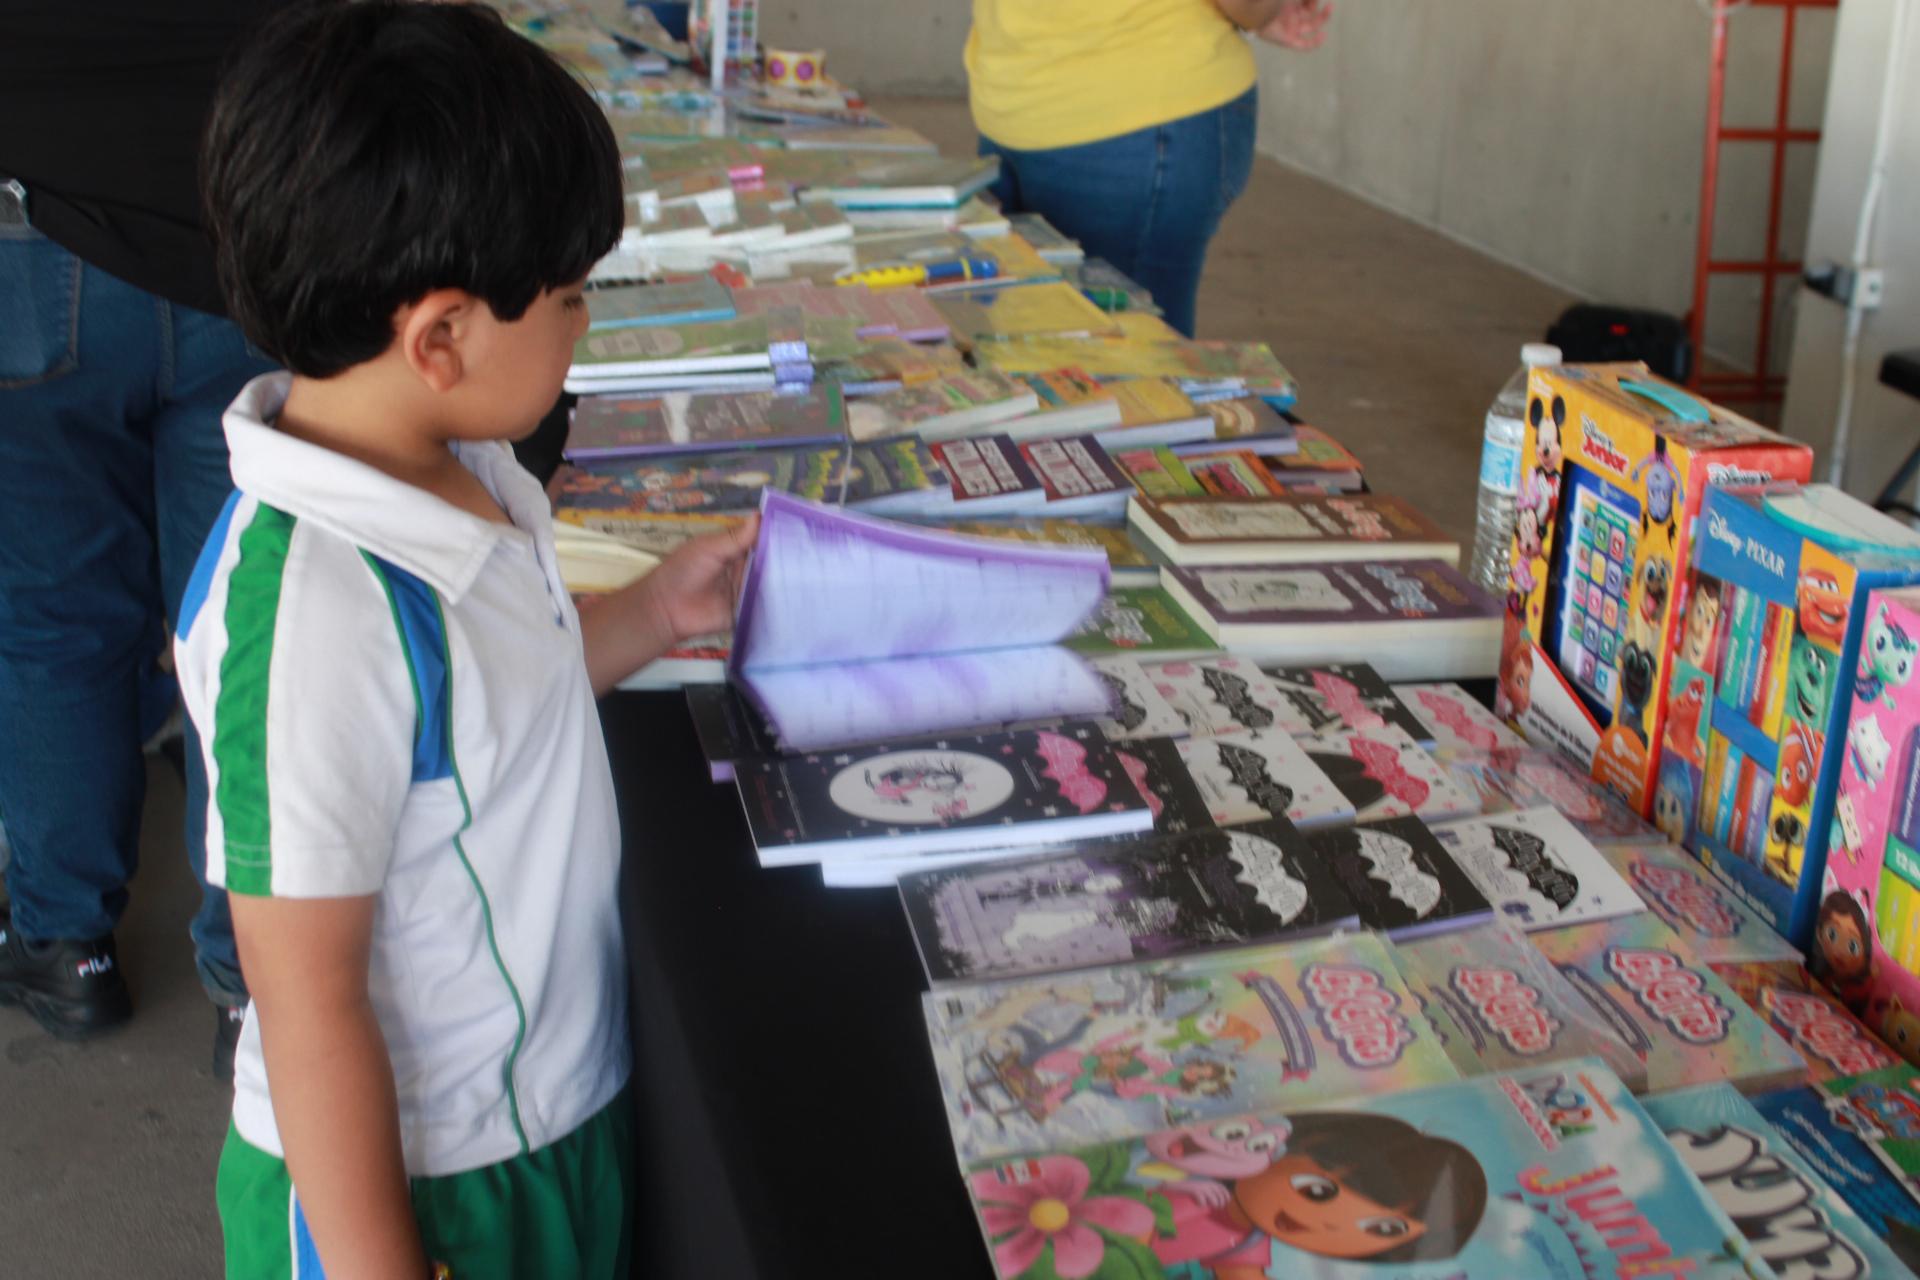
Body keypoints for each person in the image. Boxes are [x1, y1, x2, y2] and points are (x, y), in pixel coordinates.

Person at [184, 4, 756, 1275]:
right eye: (568, 297)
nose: (583, 323)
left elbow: (508, 699)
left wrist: (652, 612)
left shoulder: (467, 470)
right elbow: (304, 989)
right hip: (423, 1182)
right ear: (440, 336)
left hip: (547, 1111)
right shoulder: (313, 613)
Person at [0, 2, 285, 1067]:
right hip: (237, 222)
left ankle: (67, 943)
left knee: (53, 617)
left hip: (29, 231)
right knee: (247, 614)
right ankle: (251, 981)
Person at [967, 0, 1331, 338]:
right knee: (1133, 375)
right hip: (1135, 109)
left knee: (1064, 361)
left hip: (1026, 92)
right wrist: (1261, 12)